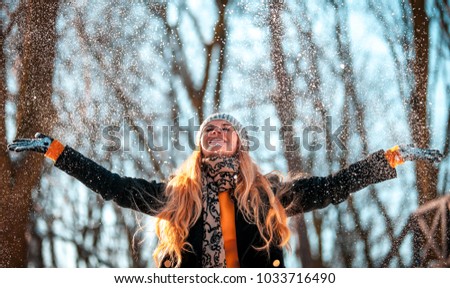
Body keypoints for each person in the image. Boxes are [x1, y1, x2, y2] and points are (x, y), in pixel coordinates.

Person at [7, 113, 444, 268]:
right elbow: (113, 186)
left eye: (225, 129)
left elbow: (333, 186)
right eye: (208, 130)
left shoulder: (267, 195)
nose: (216, 134)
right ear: (201, 144)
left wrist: (389, 158)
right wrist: (57, 151)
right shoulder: (178, 196)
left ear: (239, 143)